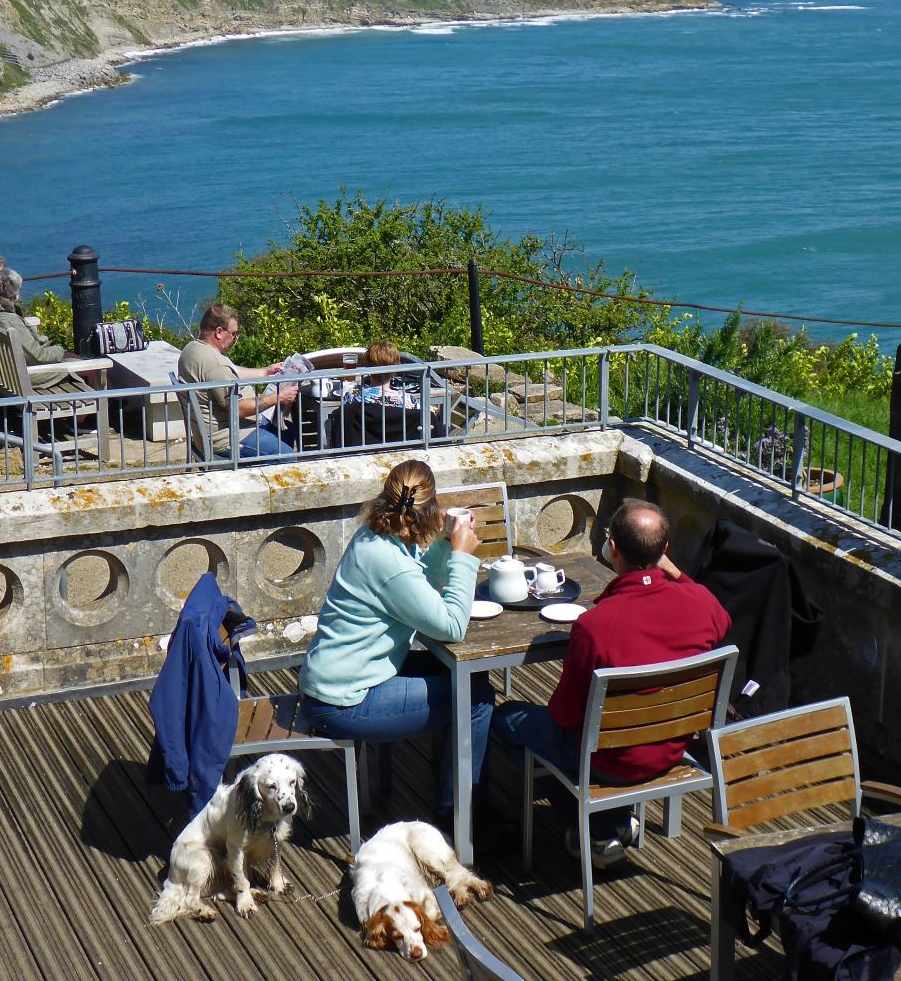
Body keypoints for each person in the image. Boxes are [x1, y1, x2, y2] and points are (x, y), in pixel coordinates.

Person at [492, 498, 731, 867]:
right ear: (665, 551)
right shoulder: (702, 604)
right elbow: (720, 616)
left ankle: (595, 822)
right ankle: (609, 822)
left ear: (613, 549)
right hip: (670, 750)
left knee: (507, 719)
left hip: (611, 762)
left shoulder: (594, 626)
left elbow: (565, 715)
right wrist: (668, 570)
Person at [299, 459, 494, 825]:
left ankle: (453, 786)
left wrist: (442, 545)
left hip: (339, 679)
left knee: (467, 680)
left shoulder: (373, 535)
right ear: (432, 506)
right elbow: (451, 626)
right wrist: (463, 557)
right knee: (476, 699)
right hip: (346, 701)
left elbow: (418, 585)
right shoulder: (390, 563)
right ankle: (462, 821)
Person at [176, 304, 298, 460]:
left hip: (220, 431)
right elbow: (237, 409)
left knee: (288, 431)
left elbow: (232, 371)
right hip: (229, 438)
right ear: (219, 332)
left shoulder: (193, 348)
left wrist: (264, 372)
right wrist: (278, 397)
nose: (235, 339)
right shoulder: (214, 363)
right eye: (234, 334)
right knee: (288, 457)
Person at [329, 341, 446, 448]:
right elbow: (426, 421)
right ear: (395, 369)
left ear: (368, 367)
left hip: (362, 453)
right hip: (400, 454)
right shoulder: (408, 401)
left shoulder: (353, 397)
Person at [0, 267, 73, 384]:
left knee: (72, 358)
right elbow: (38, 356)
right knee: (86, 369)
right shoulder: (10, 321)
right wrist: (59, 350)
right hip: (18, 378)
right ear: (15, 295)